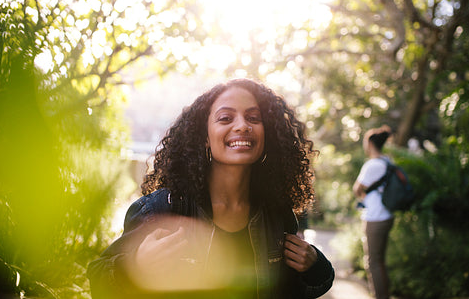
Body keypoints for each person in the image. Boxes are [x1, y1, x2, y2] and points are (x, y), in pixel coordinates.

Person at [87, 78, 334, 299]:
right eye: (226, 118)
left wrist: (314, 266)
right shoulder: (163, 209)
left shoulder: (277, 214)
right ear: (205, 136)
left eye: (253, 118)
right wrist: (136, 267)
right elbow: (99, 284)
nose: (242, 126)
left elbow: (291, 291)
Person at [352, 125, 394, 299]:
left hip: (374, 218)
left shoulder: (372, 165)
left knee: (373, 263)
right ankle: (384, 294)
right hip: (387, 216)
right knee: (380, 261)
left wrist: (363, 197)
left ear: (370, 144)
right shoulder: (388, 162)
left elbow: (357, 189)